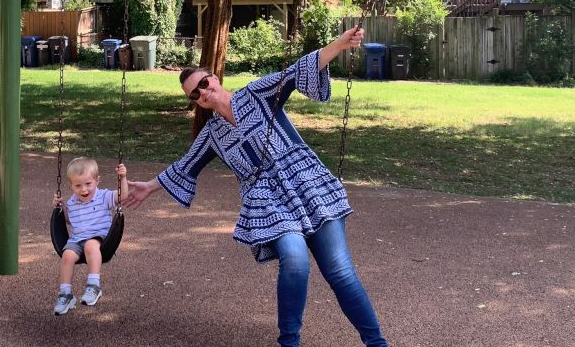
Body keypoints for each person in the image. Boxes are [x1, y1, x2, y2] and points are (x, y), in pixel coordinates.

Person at [124, 26, 389, 347]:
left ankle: (377, 343)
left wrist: (339, 44)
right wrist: (148, 187)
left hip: (308, 185)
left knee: (340, 272)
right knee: (295, 261)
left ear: (215, 78)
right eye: (195, 94)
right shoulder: (212, 136)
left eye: (204, 84)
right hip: (268, 203)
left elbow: (297, 72)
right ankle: (288, 342)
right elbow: (185, 166)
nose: (203, 93)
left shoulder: (257, 94)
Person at [52, 157, 128, 315]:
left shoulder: (103, 197)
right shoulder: (72, 202)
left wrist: (123, 178)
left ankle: (93, 286)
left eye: (88, 184)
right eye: (78, 185)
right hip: (76, 239)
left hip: (99, 238)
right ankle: (65, 294)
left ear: (97, 181)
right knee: (67, 255)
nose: (83, 190)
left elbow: (122, 196)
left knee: (90, 245)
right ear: (71, 186)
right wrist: (62, 208)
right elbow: (68, 220)